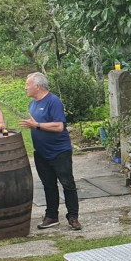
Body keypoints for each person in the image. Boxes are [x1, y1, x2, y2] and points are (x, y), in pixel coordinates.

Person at [20, 72, 81, 230]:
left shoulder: (53, 101)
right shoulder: (33, 103)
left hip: (59, 152)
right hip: (41, 153)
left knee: (67, 184)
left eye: (28, 84)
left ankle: (73, 217)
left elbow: (59, 126)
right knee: (48, 185)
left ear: (37, 86)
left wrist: (37, 125)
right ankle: (51, 216)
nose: (25, 87)